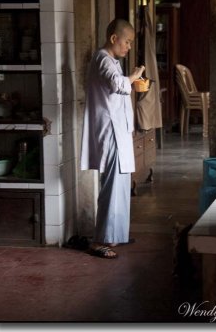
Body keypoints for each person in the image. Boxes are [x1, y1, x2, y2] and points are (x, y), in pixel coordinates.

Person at [80, 18, 145, 259]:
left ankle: (115, 236)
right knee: (111, 186)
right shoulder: (102, 59)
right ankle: (99, 241)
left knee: (121, 185)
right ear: (114, 39)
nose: (128, 47)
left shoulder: (112, 61)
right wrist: (134, 75)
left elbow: (120, 89)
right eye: (126, 41)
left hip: (120, 130)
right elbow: (117, 84)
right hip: (110, 132)